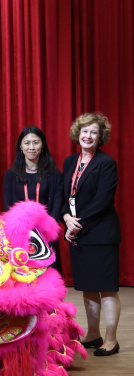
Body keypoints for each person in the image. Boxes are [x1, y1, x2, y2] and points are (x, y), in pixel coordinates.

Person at [62, 113, 121, 356]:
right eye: (84, 131)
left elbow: (103, 201)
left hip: (101, 233)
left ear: (100, 137)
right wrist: (66, 218)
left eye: (93, 132)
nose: (88, 136)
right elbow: (64, 195)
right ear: (78, 134)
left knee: (107, 287)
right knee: (88, 287)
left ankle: (111, 339)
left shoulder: (106, 163)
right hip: (79, 234)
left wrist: (78, 224)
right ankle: (94, 333)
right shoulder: (69, 162)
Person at [3, 126, 63, 273]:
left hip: (46, 235)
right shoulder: (11, 174)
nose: (31, 147)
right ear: (20, 146)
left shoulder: (53, 174)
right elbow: (8, 206)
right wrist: (20, 230)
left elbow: (57, 203)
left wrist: (47, 229)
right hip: (20, 236)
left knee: (48, 279)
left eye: (36, 142)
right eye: (27, 143)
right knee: (23, 279)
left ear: (42, 145)